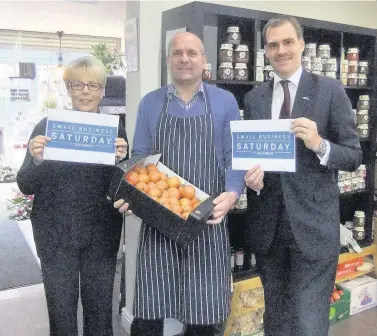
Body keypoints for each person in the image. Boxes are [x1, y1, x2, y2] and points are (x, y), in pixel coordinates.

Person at [115, 32, 245, 335]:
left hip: (207, 223)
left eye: (191, 53)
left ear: (204, 61)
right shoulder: (150, 103)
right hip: (159, 221)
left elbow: (234, 157)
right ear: (168, 61)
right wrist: (132, 193)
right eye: (177, 53)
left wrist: (232, 193)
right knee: (149, 312)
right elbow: (140, 157)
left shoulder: (225, 102)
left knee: (203, 315)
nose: (184, 59)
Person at [243, 16, 362, 336]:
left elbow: (353, 156)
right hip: (269, 227)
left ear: (301, 44)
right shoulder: (255, 98)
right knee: (277, 320)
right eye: (272, 44)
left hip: (313, 227)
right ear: (265, 51)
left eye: (287, 42)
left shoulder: (330, 91)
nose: (280, 50)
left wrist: (319, 144)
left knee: (309, 322)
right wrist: (251, 179)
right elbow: (254, 157)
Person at [17, 56, 129, 336]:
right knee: (61, 315)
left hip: (100, 236)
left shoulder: (115, 132)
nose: (85, 91)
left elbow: (121, 192)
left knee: (100, 315)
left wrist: (122, 163)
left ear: (102, 90)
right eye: (78, 84)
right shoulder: (47, 128)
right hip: (55, 235)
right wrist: (37, 159)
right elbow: (25, 184)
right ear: (68, 88)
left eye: (93, 85)